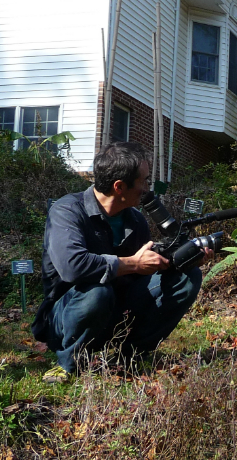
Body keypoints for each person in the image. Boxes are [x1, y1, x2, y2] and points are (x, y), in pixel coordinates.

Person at [33, 142, 211, 382]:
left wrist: (180, 261)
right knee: (97, 292)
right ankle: (68, 363)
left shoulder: (135, 219)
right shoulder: (67, 210)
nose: (148, 189)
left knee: (187, 278)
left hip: (116, 312)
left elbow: (144, 276)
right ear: (119, 187)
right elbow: (72, 266)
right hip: (66, 317)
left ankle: (132, 356)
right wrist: (133, 263)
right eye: (144, 181)